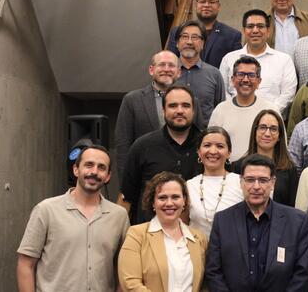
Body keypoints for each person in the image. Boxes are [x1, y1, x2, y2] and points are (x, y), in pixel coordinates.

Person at [17, 145, 129, 292]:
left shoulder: (119, 216)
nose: (94, 172)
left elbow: (124, 268)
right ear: (76, 170)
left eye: (101, 167)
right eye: (88, 165)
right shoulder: (46, 210)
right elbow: (26, 265)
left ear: (108, 176)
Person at [205, 154, 308, 292]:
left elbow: (302, 274)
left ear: (273, 182)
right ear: (241, 182)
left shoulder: (298, 222)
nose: (256, 186)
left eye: (263, 180)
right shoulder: (222, 221)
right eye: (250, 180)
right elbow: (214, 271)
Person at [120, 85, 202, 224]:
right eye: (173, 106)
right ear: (163, 110)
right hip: (148, 236)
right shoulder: (142, 146)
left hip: (194, 236)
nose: (180, 111)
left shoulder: (207, 148)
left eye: (186, 106)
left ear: (193, 111)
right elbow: (126, 198)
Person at [118, 172, 207, 292]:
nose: (169, 203)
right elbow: (130, 283)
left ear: (184, 201)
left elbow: (205, 284)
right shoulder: (137, 235)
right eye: (162, 197)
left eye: (175, 197)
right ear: (153, 202)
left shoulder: (199, 238)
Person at [115, 50, 181, 182]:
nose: (166, 69)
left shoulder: (191, 101)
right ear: (151, 70)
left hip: (182, 179)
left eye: (171, 65)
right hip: (144, 179)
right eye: (161, 65)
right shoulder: (132, 100)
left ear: (179, 72)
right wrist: (125, 183)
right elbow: (123, 145)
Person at [219, 9, 297, 115]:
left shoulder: (284, 60)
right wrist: (236, 110)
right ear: (243, 31)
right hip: (235, 116)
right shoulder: (229, 59)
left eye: (260, 26)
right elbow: (223, 91)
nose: (255, 30)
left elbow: (288, 93)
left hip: (271, 122)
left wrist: (268, 113)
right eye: (250, 26)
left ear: (268, 31)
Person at [210, 56, 278, 161]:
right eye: (241, 75)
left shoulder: (270, 110)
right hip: (227, 173)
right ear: (232, 80)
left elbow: (280, 148)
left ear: (259, 81)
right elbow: (211, 146)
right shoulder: (220, 110)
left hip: (261, 174)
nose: (246, 80)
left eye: (251, 75)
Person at [231, 109, 298, 207]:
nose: (267, 133)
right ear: (255, 132)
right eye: (262, 127)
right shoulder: (238, 167)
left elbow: (292, 207)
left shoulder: (289, 169)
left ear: (280, 136)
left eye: (273, 129)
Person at [186, 126, 244, 237]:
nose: (213, 151)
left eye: (220, 146)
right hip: (197, 251)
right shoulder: (189, 186)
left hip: (232, 251)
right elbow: (182, 225)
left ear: (229, 153)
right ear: (198, 151)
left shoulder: (241, 182)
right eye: (207, 145)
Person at [167, 0, 242, 68]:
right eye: (202, 1)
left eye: (211, 2)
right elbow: (171, 62)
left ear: (218, 6)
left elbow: (237, 67)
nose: (206, 5)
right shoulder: (177, 32)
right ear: (196, 5)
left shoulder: (232, 35)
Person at [174, 20, 226, 123]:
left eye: (195, 37)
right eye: (184, 36)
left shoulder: (214, 74)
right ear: (177, 43)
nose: (189, 42)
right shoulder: (167, 73)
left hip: (204, 136)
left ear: (203, 44)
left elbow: (221, 110)